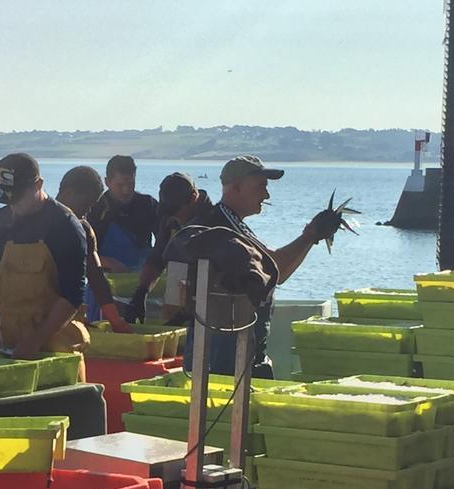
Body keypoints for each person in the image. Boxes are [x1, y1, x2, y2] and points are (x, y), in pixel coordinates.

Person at [136, 155, 341, 378]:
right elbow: (274, 267)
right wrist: (310, 235)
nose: (266, 194)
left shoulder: (224, 226)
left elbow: (275, 274)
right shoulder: (220, 227)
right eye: (261, 185)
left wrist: (310, 237)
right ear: (236, 187)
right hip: (223, 357)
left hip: (232, 353)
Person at [0, 153, 89, 377]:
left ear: (39, 184)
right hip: (11, 347)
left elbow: (72, 296)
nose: (13, 205)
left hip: (57, 353)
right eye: (8, 198)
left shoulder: (66, 226)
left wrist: (36, 341)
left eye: (19, 197)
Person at [125, 172, 214, 323]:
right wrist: (141, 292)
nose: (171, 216)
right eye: (167, 211)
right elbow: (158, 256)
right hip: (175, 293)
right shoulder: (169, 220)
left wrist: (186, 313)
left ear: (193, 198)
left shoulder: (213, 223)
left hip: (207, 309)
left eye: (174, 211)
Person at [55, 166, 131, 333]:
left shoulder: (83, 228)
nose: (88, 212)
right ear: (68, 194)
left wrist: (115, 320)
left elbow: (96, 278)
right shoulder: (35, 221)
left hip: (66, 317)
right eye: (86, 205)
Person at [86, 155, 158, 280]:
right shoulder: (95, 209)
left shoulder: (148, 204)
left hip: (143, 277)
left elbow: (165, 241)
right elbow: (83, 253)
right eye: (120, 185)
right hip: (106, 279)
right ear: (107, 182)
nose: (126, 191)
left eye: (131, 184)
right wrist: (108, 262)